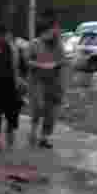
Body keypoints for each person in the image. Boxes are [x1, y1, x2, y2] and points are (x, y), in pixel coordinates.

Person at [0, 22, 29, 151]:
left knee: (12, 111)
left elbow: (21, 66)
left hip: (11, 83)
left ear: (3, 34)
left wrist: (21, 81)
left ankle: (10, 129)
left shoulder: (14, 47)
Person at [28, 14, 66, 149]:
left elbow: (63, 60)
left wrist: (55, 64)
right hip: (37, 81)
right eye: (50, 32)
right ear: (44, 32)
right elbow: (27, 61)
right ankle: (33, 131)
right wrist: (39, 64)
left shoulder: (58, 45)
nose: (53, 34)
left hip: (54, 82)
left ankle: (44, 137)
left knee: (51, 112)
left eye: (54, 32)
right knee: (38, 107)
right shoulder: (35, 44)